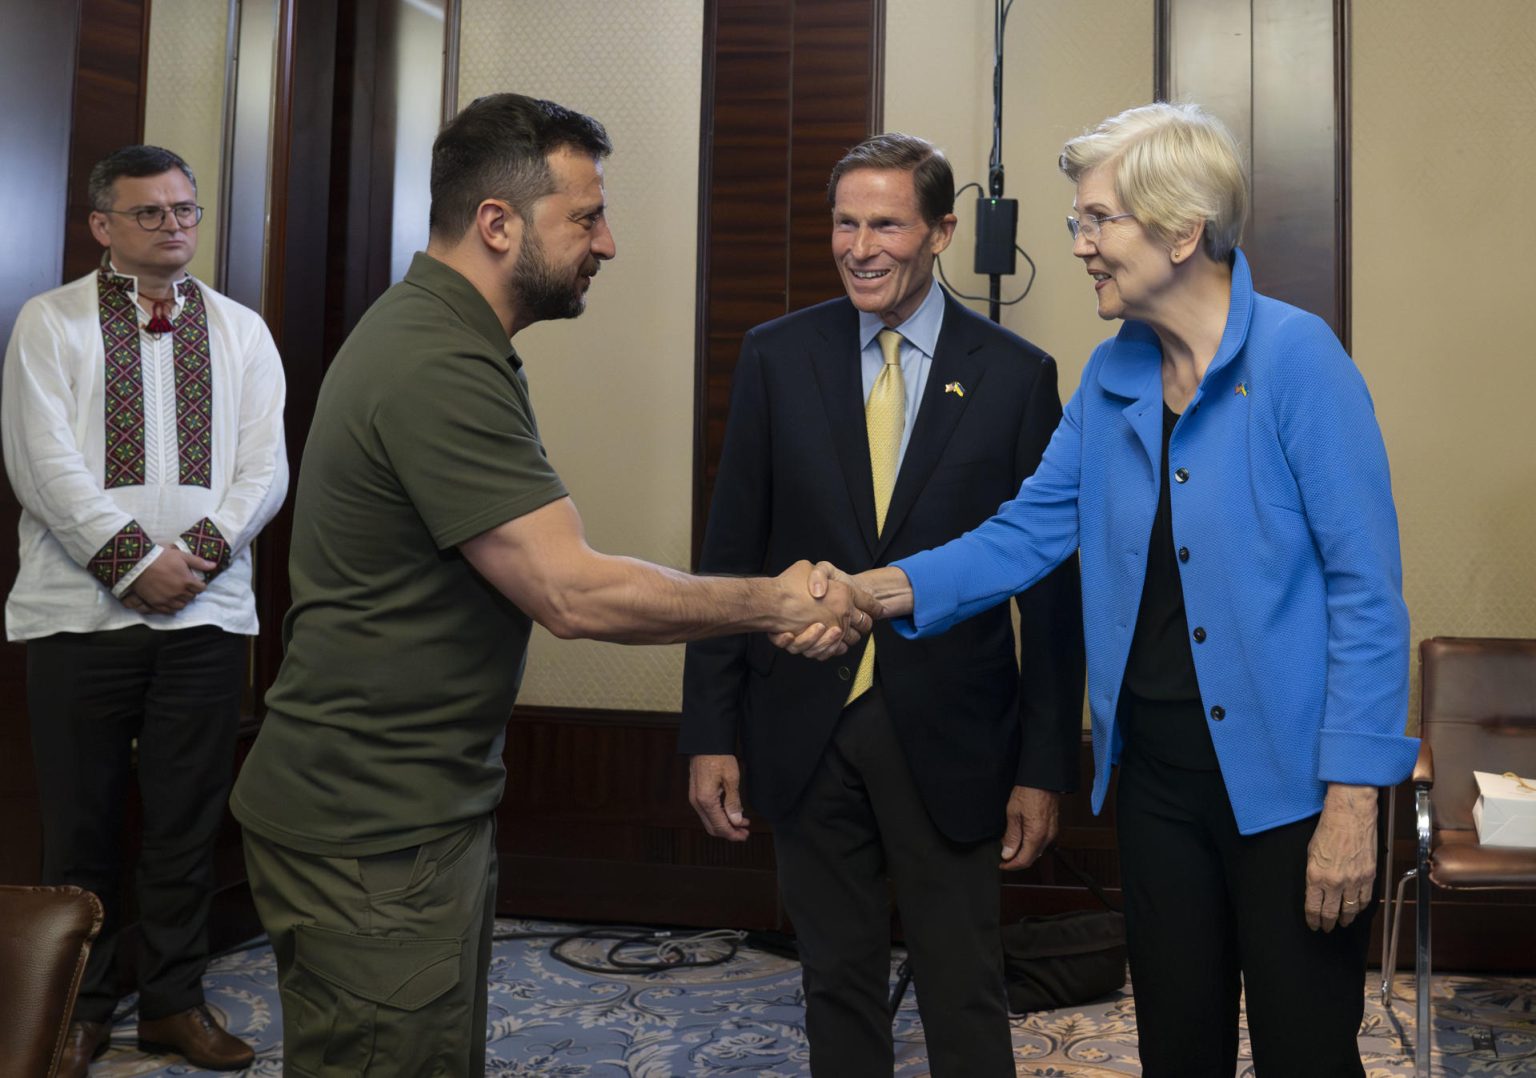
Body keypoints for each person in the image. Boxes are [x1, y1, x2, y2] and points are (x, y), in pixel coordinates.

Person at [229, 93, 877, 1077]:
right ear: (498, 221)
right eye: (586, 216)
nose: (608, 242)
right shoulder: (435, 360)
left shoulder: (451, 339)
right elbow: (573, 593)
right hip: (370, 828)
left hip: (406, 813)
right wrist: (775, 600)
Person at [830, 103, 1419, 1077]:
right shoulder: (1113, 376)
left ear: (1183, 232)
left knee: (1305, 1051)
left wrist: (1354, 802)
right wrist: (876, 590)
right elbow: (1025, 533)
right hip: (1154, 783)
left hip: (1291, 793)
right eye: (1079, 223)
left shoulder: (1298, 361)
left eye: (1098, 220)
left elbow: (1367, 593)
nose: (1082, 246)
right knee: (1175, 1048)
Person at [681, 133, 1084, 1077]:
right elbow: (729, 558)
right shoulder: (777, 357)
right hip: (804, 724)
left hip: (953, 732)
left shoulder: (1016, 375)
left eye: (887, 225)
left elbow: (1051, 593)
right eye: (845, 223)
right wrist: (711, 730)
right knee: (834, 981)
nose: (860, 247)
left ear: (942, 231)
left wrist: (1044, 765)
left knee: (965, 983)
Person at [2, 144, 288, 1074]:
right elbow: (42, 466)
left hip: (206, 617)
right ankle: (76, 1010)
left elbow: (263, 469)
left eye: (186, 211)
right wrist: (132, 564)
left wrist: (196, 558)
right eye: (151, 212)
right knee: (80, 825)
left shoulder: (243, 330)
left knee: (185, 820)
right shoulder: (50, 323)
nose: (174, 227)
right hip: (75, 615)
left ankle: (173, 1005)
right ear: (101, 225)